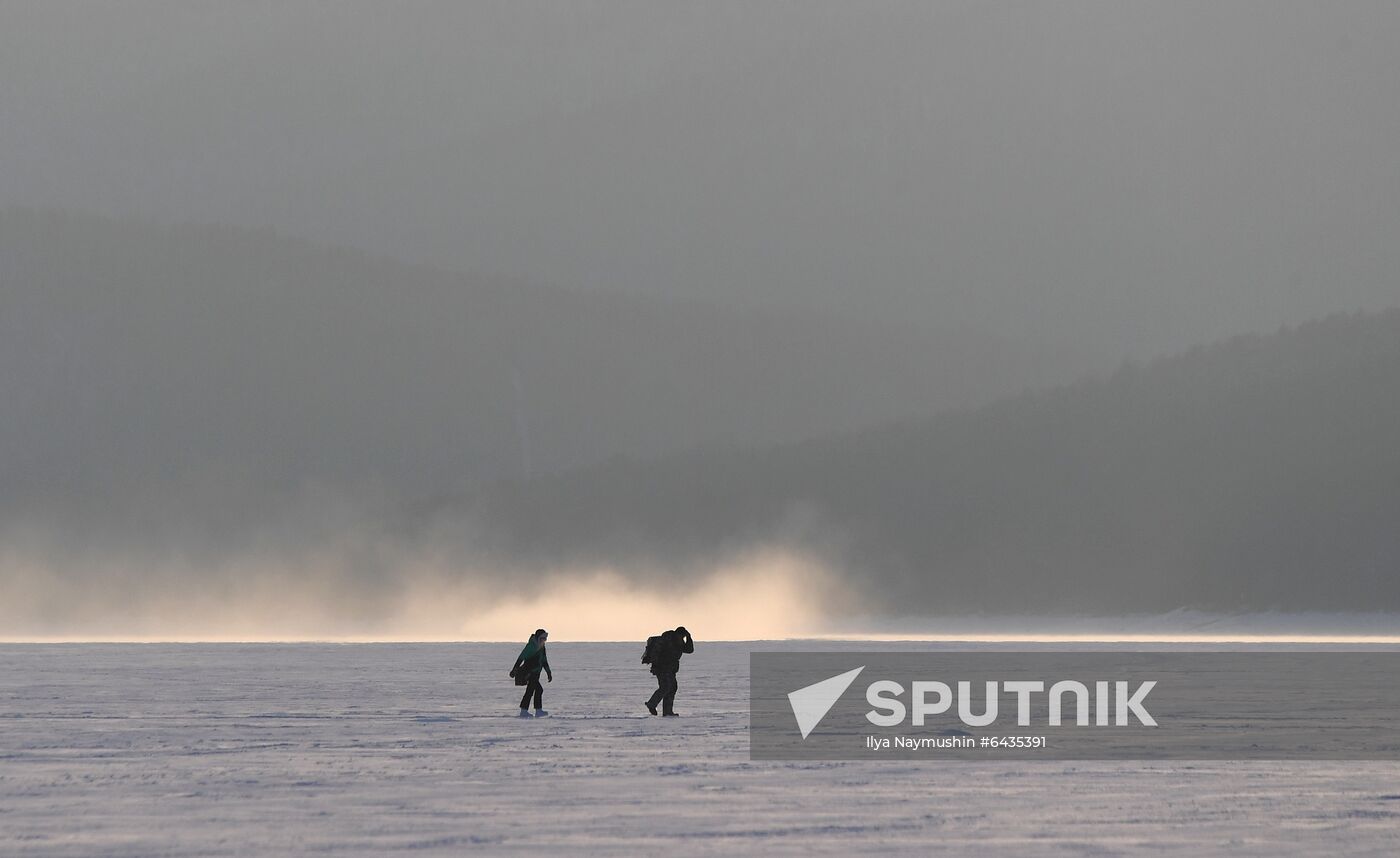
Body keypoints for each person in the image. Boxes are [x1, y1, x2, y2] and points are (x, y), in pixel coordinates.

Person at [645, 626, 693, 716]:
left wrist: (689, 638)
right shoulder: (669, 639)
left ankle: (667, 711)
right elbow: (658, 653)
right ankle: (652, 704)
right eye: (683, 636)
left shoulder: (678, 641)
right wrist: (655, 666)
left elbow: (689, 650)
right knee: (666, 687)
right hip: (662, 668)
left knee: (672, 687)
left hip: (670, 669)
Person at [510, 628, 552, 717]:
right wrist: (514, 670)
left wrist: (548, 672)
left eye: (545, 638)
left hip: (536, 673)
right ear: (538, 637)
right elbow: (521, 658)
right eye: (543, 638)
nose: (544, 640)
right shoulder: (531, 646)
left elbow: (544, 660)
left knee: (532, 690)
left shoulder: (542, 647)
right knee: (536, 690)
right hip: (529, 673)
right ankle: (532, 711)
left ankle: (529, 710)